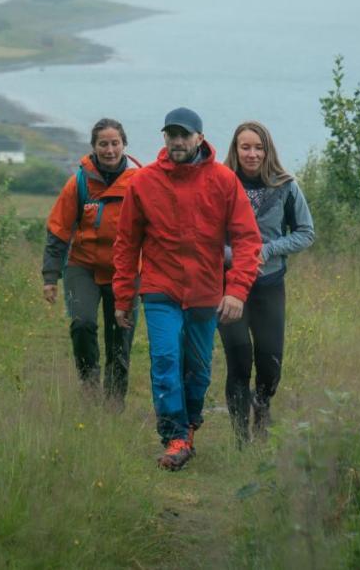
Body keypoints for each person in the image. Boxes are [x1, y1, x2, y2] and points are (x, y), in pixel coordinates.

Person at [113, 107, 262, 470]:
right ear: (164, 138)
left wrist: (237, 290)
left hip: (205, 291)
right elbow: (126, 242)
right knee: (164, 359)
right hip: (160, 289)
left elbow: (247, 239)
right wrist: (123, 297)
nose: (178, 141)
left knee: (199, 368)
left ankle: (190, 424)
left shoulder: (224, 180)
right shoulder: (144, 182)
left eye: (185, 135)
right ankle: (174, 435)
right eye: (172, 135)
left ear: (199, 137)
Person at [219, 121, 315, 442]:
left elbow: (306, 233)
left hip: (270, 284)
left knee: (270, 362)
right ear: (235, 149)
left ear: (268, 150)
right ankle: (240, 439)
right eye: (245, 147)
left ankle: (262, 407)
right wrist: (237, 255)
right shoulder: (220, 183)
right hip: (230, 287)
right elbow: (206, 236)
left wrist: (268, 249)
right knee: (239, 358)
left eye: (258, 147)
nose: (252, 153)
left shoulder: (285, 186)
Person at [42, 118, 141, 406]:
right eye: (103, 144)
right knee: (82, 323)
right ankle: (89, 383)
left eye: (115, 143)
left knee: (120, 334)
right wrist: (50, 277)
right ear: (94, 147)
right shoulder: (79, 182)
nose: (109, 150)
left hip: (126, 270)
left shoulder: (142, 181)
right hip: (82, 266)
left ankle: (114, 401)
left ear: (124, 144)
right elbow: (58, 229)